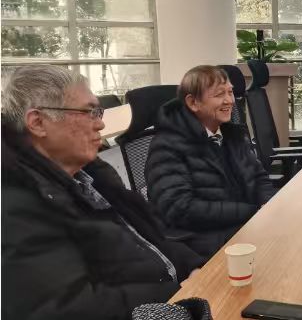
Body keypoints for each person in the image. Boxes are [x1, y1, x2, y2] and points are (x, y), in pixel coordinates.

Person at [1, 65, 203, 320]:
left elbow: (152, 239)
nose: (101, 124)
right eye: (89, 112)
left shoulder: (90, 174)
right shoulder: (14, 206)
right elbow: (70, 309)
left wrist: (195, 268)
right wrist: (177, 294)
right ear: (38, 122)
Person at [146, 65, 276, 257]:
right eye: (219, 94)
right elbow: (179, 208)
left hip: (243, 228)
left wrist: (269, 205)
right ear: (193, 102)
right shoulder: (167, 145)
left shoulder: (232, 134)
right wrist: (252, 211)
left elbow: (258, 177)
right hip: (203, 241)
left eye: (230, 92)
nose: (229, 100)